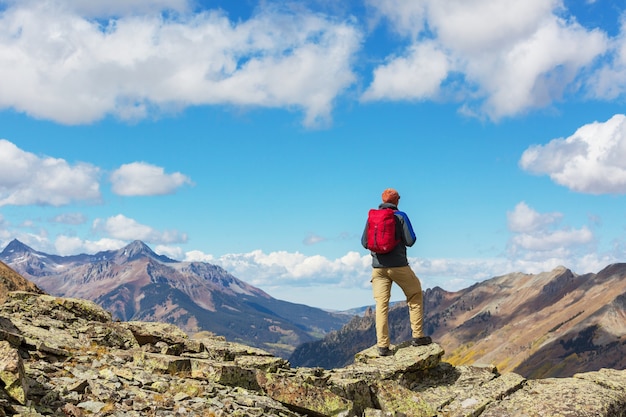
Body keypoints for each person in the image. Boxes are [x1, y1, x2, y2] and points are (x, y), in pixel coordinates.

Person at [361, 188, 431, 356]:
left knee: (381, 305)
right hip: (399, 266)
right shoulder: (401, 216)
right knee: (414, 295)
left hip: (378, 268)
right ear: (397, 201)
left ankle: (383, 346)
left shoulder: (372, 217)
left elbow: (364, 242)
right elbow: (410, 241)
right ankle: (417, 336)